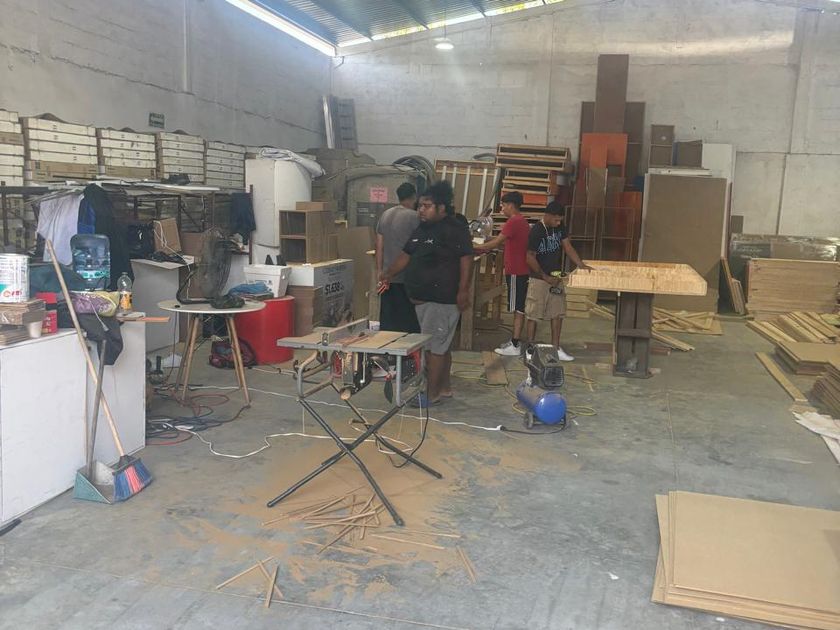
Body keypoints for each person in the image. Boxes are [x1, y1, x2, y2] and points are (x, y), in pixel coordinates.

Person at [381, 181, 473, 407]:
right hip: (424, 301)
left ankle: (431, 395)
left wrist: (463, 290)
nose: (421, 210)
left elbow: (466, 259)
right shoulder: (422, 228)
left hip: (440, 300)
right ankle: (444, 388)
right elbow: (406, 255)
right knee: (442, 347)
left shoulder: (454, 229)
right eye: (420, 205)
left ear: (441, 208)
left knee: (434, 350)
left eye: (427, 206)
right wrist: (387, 274)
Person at [525, 201, 592, 361]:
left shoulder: (560, 227)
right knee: (534, 314)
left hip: (556, 276)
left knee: (557, 313)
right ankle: (530, 349)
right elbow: (529, 257)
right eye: (556, 219)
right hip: (539, 279)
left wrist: (580, 264)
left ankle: (555, 348)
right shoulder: (537, 231)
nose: (558, 223)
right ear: (547, 216)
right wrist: (544, 276)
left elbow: (567, 247)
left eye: (560, 220)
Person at [474, 191, 531, 356]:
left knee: (518, 308)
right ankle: (514, 341)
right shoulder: (521, 221)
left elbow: (496, 242)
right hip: (519, 270)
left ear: (511, 205)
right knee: (517, 306)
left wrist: (475, 247)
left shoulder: (513, 221)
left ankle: (515, 344)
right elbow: (504, 242)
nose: (502, 209)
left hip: (516, 271)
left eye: (504, 205)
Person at [375, 182, 420, 333]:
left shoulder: (385, 215)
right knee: (407, 324)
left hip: (386, 278)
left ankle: (386, 348)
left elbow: (379, 245)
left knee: (388, 323)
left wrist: (380, 271)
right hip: (406, 277)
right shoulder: (414, 217)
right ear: (414, 197)